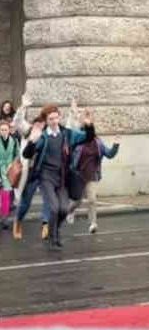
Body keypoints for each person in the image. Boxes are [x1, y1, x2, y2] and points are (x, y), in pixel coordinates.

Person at [23, 104, 95, 250]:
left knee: (63, 209)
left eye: (56, 117)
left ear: (59, 117)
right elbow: (27, 154)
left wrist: (89, 126)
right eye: (51, 119)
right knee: (54, 208)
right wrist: (32, 141)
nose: (55, 121)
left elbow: (87, 138)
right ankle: (53, 237)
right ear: (46, 120)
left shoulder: (67, 134)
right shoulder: (43, 136)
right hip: (46, 177)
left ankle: (54, 229)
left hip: (62, 178)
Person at [66, 100, 120, 234]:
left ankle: (93, 223)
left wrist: (116, 145)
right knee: (77, 201)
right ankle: (69, 212)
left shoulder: (98, 142)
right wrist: (74, 112)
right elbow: (71, 128)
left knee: (92, 200)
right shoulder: (77, 138)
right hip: (78, 174)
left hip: (92, 175)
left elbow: (110, 154)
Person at [11, 94, 51, 240]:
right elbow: (17, 121)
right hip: (29, 173)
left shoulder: (46, 136)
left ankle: (45, 223)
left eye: (42, 125)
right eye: (37, 124)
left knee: (48, 197)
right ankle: (18, 221)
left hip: (44, 172)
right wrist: (23, 107)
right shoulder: (27, 131)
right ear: (33, 124)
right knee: (25, 203)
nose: (39, 127)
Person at [0, 119, 19, 230]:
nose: (3, 132)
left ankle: (4, 218)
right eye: (1, 130)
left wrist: (12, 163)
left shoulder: (14, 141)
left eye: (5, 129)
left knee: (6, 195)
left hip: (8, 171)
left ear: (9, 130)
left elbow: (17, 155)